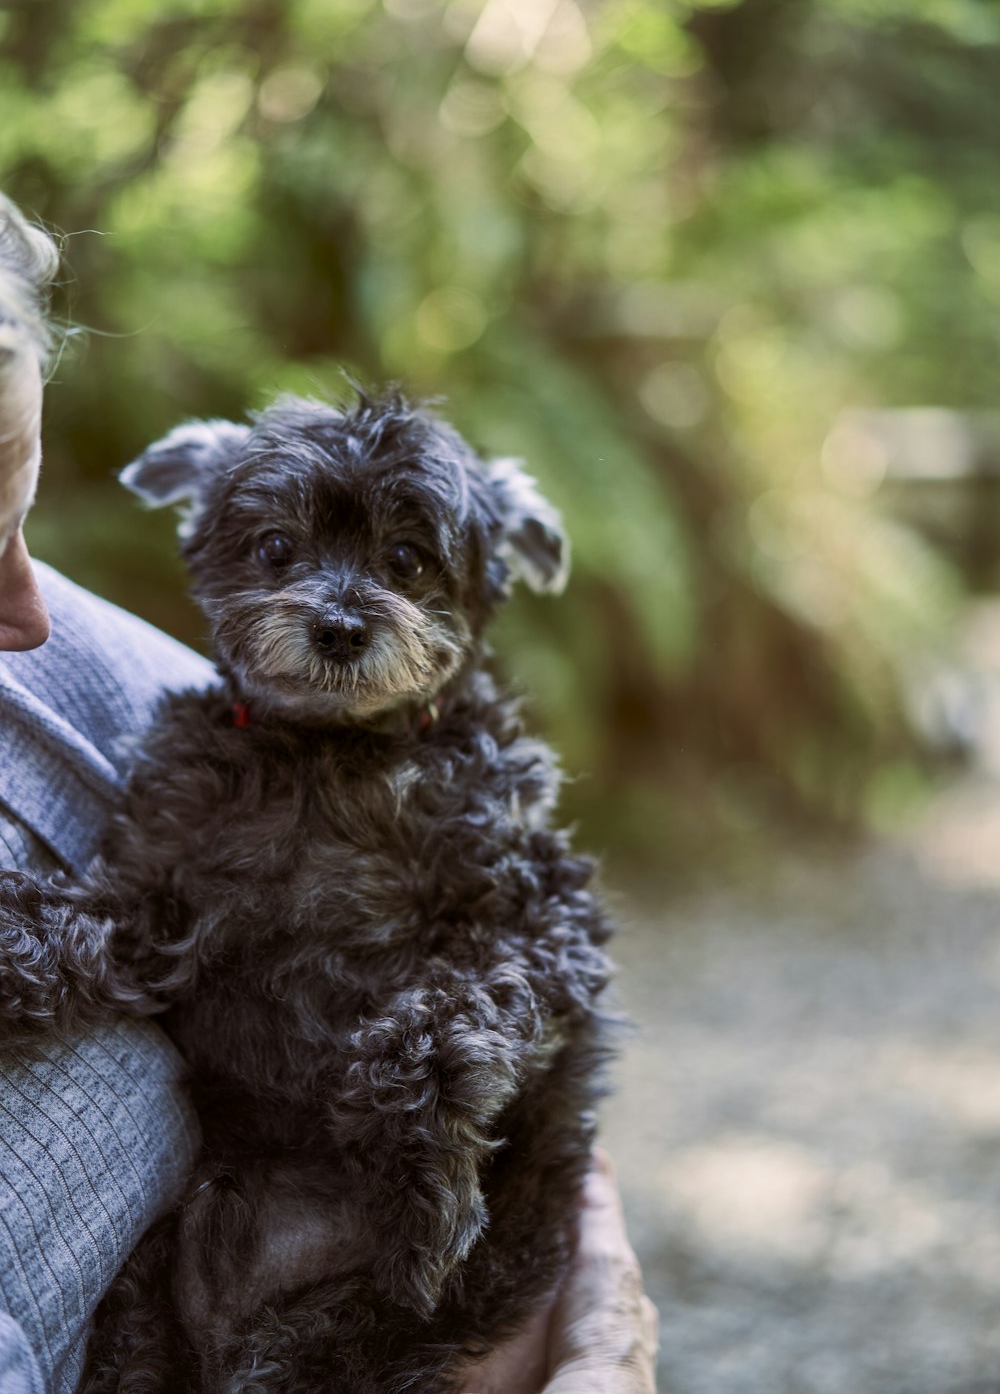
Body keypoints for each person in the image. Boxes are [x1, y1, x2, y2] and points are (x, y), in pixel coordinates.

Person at [0, 193, 658, 1394]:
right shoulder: (193, 762)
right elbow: (137, 937)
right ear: (204, 534)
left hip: (403, 1274)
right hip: (212, 1224)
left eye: (406, 565)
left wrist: (449, 1056)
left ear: (490, 576)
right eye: (280, 556)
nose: (343, 609)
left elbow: (560, 949)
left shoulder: (476, 787)